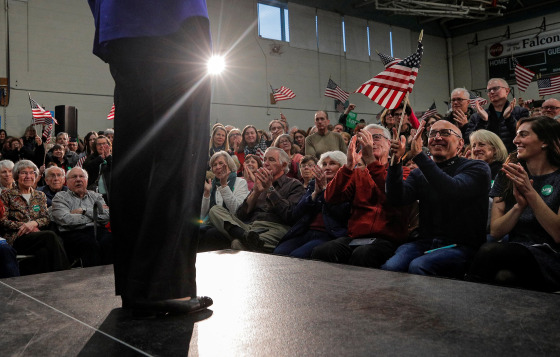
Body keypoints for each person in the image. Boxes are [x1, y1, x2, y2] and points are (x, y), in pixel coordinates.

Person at [89, 0, 213, 315]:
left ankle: (137, 286)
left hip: (120, 26)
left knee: (136, 157)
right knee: (181, 151)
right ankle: (166, 285)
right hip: (174, 17)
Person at [383, 120, 491, 278]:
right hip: (425, 242)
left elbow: (452, 190)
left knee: (419, 266)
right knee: (392, 267)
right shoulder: (419, 174)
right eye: (433, 134)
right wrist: (395, 162)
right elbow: (396, 199)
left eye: (445, 133)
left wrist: (419, 156)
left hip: (461, 245)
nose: (437, 137)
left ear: (460, 144)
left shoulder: (477, 168)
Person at [468, 116, 560, 291]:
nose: (515, 140)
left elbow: (557, 234)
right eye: (516, 135)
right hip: (516, 250)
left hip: (552, 256)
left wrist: (530, 193)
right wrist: (519, 207)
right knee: (504, 278)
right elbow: (496, 230)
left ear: (545, 142)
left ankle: (466, 300)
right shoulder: (507, 174)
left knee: (489, 251)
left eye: (523, 135)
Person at [311, 125, 413, 268]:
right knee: (321, 251)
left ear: (389, 144)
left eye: (376, 137)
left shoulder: (404, 172)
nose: (370, 142)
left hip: (387, 239)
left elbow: (393, 195)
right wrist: (348, 166)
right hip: (356, 237)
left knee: (363, 254)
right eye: (366, 138)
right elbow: (331, 198)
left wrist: (371, 160)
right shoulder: (358, 173)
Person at [208, 147, 304, 252]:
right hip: (251, 227)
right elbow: (240, 215)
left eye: (271, 160)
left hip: (276, 228)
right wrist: (256, 193)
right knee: (215, 210)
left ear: (284, 165)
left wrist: (270, 189)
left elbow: (290, 215)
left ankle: (244, 238)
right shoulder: (259, 184)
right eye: (265, 159)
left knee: (237, 243)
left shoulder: (294, 185)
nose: (266, 163)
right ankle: (244, 235)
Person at [274, 151, 350, 258]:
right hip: (305, 231)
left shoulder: (346, 187)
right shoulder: (313, 184)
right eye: (324, 164)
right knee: (279, 252)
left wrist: (324, 191)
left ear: (342, 167)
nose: (327, 167)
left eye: (332, 163)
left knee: (297, 256)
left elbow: (341, 213)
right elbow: (297, 213)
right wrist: (314, 194)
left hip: (328, 234)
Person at [0, 160, 69, 275]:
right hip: (17, 237)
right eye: (24, 173)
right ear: (17, 176)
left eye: (31, 173)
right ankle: (65, 274)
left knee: (44, 252)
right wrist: (25, 226)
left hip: (37, 236)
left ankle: (45, 283)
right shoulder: (7, 194)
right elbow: (3, 221)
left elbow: (46, 218)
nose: (28, 176)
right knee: (50, 236)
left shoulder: (39, 195)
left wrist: (35, 224)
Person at [51, 167, 112, 267]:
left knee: (111, 240)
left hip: (98, 230)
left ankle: (110, 278)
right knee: (90, 244)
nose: (78, 179)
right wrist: (94, 215)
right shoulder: (60, 197)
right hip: (73, 232)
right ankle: (92, 279)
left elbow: (107, 216)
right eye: (74, 177)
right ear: (67, 181)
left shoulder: (96, 196)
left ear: (86, 180)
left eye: (81, 176)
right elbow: (66, 220)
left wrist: (83, 211)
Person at [467, 78, 529, 152]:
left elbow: (524, 136)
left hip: (513, 157)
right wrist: (483, 121)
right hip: (489, 159)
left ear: (507, 91)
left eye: (495, 88)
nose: (492, 92)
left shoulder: (521, 112)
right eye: (489, 90)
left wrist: (508, 118)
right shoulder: (477, 116)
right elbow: (469, 140)